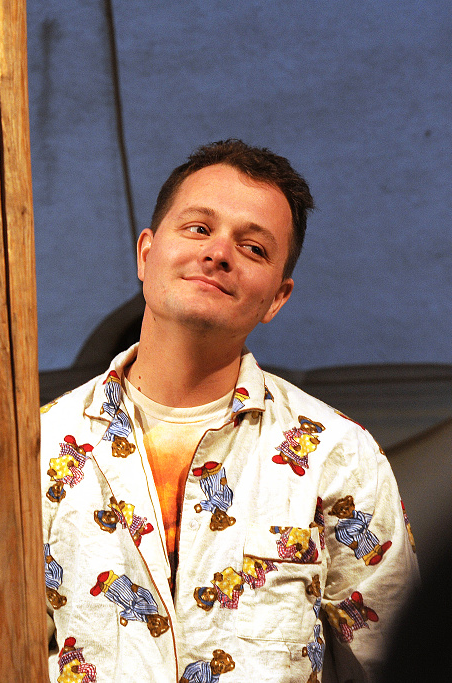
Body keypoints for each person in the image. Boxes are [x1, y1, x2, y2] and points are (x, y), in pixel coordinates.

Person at [41, 139, 417, 683]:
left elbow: (397, 660)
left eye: (254, 248)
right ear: (146, 253)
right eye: (198, 228)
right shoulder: (38, 444)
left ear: (277, 297)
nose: (218, 253)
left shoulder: (338, 454)